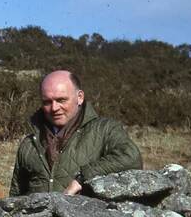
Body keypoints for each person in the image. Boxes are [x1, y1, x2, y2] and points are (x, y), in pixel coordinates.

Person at [9, 70, 142, 196]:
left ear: (80, 97)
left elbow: (131, 158)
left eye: (61, 100)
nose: (54, 108)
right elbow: (15, 196)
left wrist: (83, 177)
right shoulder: (29, 143)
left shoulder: (105, 130)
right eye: (47, 102)